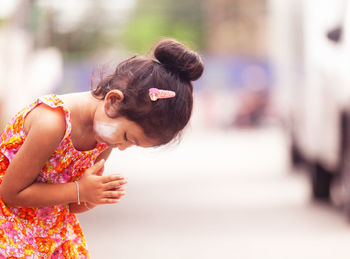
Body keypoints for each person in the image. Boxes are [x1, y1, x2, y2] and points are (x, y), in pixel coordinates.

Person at [0, 38, 204, 258]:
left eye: (132, 144)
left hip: (49, 236)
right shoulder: (52, 123)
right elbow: (11, 192)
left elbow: (66, 205)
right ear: (113, 100)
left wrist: (90, 198)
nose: (122, 147)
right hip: (9, 232)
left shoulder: (105, 137)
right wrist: (80, 190)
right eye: (127, 137)